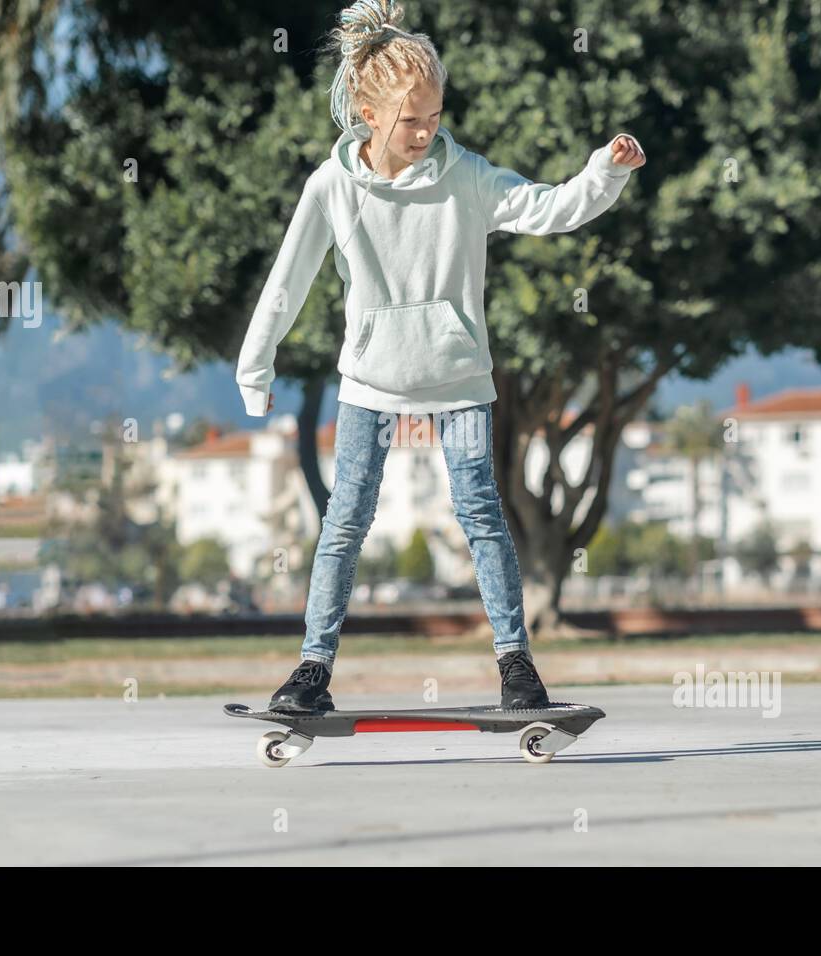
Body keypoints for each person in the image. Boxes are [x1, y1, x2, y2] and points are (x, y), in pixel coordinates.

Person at [235, 0, 645, 713]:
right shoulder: (331, 187)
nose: (426, 132)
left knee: (481, 512)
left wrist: (603, 173)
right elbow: (287, 281)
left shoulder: (467, 177)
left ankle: (517, 666)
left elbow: (546, 208)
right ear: (366, 110)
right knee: (345, 521)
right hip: (369, 381)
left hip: (459, 378)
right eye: (410, 119)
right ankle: (310, 670)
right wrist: (255, 370)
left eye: (433, 115)